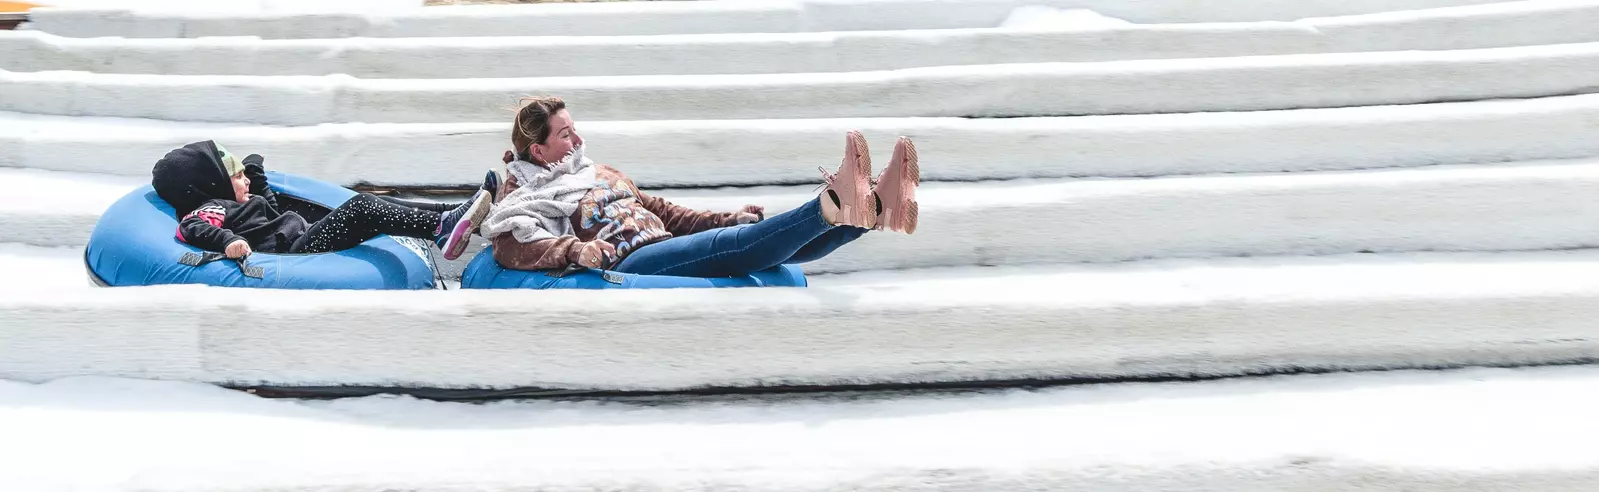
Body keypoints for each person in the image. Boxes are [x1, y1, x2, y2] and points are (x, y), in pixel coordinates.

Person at [481, 96, 919, 277]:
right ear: (538, 152)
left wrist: (726, 218)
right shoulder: (524, 198)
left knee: (760, 244)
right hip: (630, 263)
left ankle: (878, 208)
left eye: (575, 130)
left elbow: (665, 213)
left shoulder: (600, 171)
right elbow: (511, 245)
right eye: (565, 136)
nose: (578, 141)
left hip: (661, 242)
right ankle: (836, 201)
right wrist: (576, 250)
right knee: (730, 246)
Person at [151, 140, 497, 261]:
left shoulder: (244, 202)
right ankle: (440, 228)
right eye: (236, 177)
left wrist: (257, 178)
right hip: (297, 252)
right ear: (210, 186)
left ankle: (454, 213)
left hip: (302, 234)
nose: (243, 181)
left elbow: (274, 214)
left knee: (372, 209)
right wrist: (229, 240)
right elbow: (192, 227)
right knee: (362, 206)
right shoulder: (212, 208)